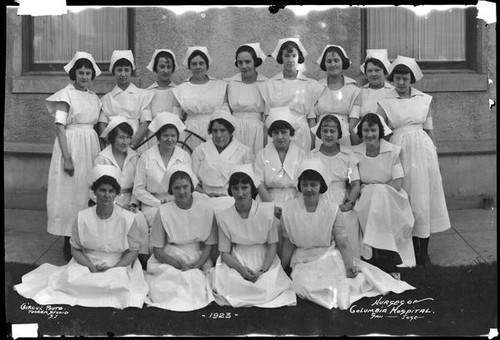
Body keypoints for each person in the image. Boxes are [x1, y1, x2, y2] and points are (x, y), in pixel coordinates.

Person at [280, 159, 415, 310]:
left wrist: (349, 266)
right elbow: (288, 244)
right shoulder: (289, 210)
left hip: (327, 257)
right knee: (302, 285)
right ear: (299, 186)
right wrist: (282, 269)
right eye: (305, 185)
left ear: (321, 186)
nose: (309, 189)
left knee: (340, 283)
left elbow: (342, 242)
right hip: (302, 261)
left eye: (313, 185)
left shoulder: (332, 209)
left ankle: (364, 277)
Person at [15, 165, 149, 309]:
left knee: (118, 285)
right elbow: (76, 250)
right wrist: (90, 267)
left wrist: (114, 268)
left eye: (111, 191)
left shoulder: (128, 218)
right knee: (70, 280)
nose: (106, 195)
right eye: (102, 190)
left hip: (119, 264)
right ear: (94, 193)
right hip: (87, 262)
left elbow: (133, 251)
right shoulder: (82, 217)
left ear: (116, 194)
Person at [377, 56, 451, 266]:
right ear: (392, 79)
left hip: (423, 151)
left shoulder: (424, 100)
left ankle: (423, 253)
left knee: (423, 200)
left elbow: (429, 129)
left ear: (412, 79)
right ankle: (406, 249)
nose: (401, 82)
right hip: (399, 151)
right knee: (404, 199)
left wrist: (435, 156)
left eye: (405, 78)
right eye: (397, 78)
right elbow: (380, 132)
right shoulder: (385, 102)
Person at [212, 164, 296, 308]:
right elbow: (225, 254)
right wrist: (241, 269)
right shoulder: (224, 217)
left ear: (252, 189)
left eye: (244, 187)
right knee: (231, 285)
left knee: (267, 285)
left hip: (264, 258)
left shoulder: (266, 212)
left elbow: (272, 246)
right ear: (230, 191)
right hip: (237, 259)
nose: (240, 193)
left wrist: (263, 270)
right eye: (235, 188)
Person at [45, 51, 102, 261]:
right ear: (74, 73)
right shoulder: (65, 95)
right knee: (70, 193)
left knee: (86, 191)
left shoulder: (94, 98)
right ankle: (68, 242)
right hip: (71, 145)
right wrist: (67, 158)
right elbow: (60, 128)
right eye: (81, 72)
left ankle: (84, 239)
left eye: (88, 72)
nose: (84, 76)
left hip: (90, 146)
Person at [145, 164, 216, 311]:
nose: (182, 191)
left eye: (185, 186)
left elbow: (209, 244)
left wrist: (196, 266)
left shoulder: (206, 208)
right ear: (171, 190)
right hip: (171, 258)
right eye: (177, 188)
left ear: (192, 186)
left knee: (197, 282)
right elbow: (158, 250)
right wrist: (179, 265)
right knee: (170, 285)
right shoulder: (163, 211)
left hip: (199, 257)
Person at [352, 113, 416, 271]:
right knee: (374, 195)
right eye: (366, 130)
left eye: (373, 130)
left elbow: (397, 184)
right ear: (361, 132)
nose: (370, 134)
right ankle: (386, 249)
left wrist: (376, 188)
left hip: (392, 197)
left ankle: (375, 249)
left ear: (380, 131)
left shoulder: (393, 151)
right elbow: (352, 180)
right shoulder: (353, 153)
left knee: (379, 193)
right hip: (365, 197)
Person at [95, 116, 150, 268]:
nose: (125, 142)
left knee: (140, 220)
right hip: (108, 202)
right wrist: (115, 205)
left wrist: (133, 203)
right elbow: (98, 189)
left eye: (128, 137)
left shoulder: (135, 157)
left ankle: (141, 257)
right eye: (121, 137)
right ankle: (120, 256)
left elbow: (139, 184)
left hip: (130, 201)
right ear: (112, 138)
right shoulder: (102, 158)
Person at [308, 114, 362, 259]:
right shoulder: (312, 157)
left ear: (339, 133)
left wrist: (349, 203)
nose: (328, 135)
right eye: (325, 131)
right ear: (319, 133)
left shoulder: (347, 156)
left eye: (333, 131)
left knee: (348, 221)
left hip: (342, 202)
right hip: (319, 200)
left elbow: (355, 184)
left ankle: (351, 262)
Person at [260, 38, 324, 151]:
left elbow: (311, 119)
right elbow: (267, 117)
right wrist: (266, 142)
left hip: (301, 133)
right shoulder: (270, 85)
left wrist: (313, 144)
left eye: (294, 55)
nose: (290, 60)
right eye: (286, 56)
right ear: (281, 57)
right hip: (277, 133)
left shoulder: (310, 85)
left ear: (299, 57)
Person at [133, 112, 191, 228]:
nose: (170, 139)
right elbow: (138, 189)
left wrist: (177, 200)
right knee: (161, 221)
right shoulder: (146, 157)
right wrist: (157, 202)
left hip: (180, 201)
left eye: (173, 136)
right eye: (165, 135)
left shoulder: (184, 156)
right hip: (152, 204)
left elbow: (189, 185)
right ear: (158, 137)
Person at [172, 46, 228, 151]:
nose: (198, 67)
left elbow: (225, 114)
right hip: (189, 133)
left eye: (201, 63)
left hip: (214, 132)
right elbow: (176, 119)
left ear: (207, 65)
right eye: (194, 64)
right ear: (189, 66)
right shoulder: (180, 89)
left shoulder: (220, 86)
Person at [98, 50, 154, 151]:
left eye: (126, 70)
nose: (123, 74)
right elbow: (102, 125)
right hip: (113, 148)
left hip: (137, 145)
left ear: (131, 71)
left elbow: (145, 123)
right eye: (119, 70)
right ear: (113, 71)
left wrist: (132, 144)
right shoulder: (106, 99)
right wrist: (114, 146)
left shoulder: (143, 95)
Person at [191, 108, 254, 198]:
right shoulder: (200, 150)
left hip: (233, 198)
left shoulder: (245, 152)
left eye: (223, 130)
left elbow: (249, 182)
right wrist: (205, 195)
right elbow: (192, 181)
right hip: (205, 198)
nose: (218, 135)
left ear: (230, 131)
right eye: (215, 131)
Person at [254, 107, 306, 210]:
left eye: (283, 132)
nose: (279, 137)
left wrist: (296, 206)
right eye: (276, 133)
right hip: (266, 202)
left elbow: (304, 183)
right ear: (271, 134)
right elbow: (259, 183)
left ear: (290, 133)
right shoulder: (262, 155)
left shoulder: (301, 155)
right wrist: (270, 206)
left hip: (294, 202)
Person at [224, 43, 268, 155]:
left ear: (255, 62)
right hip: (235, 130)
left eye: (247, 62)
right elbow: (226, 110)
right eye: (240, 62)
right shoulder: (230, 83)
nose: (244, 66)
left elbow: (268, 114)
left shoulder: (266, 83)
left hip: (258, 131)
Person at [313, 44, 360, 147]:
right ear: (324, 64)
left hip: (344, 136)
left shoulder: (353, 90)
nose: (333, 64)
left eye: (336, 60)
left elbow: (353, 125)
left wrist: (355, 148)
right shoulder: (316, 88)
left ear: (343, 62)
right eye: (329, 61)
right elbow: (312, 118)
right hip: (321, 135)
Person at [138, 49, 180, 153]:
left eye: (169, 67)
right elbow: (146, 122)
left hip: (172, 139)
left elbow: (178, 120)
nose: (165, 70)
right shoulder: (147, 93)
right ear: (155, 68)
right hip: (152, 138)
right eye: (162, 66)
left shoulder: (178, 92)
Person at [350, 49, 394, 145]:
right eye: (370, 71)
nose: (373, 74)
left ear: (385, 71)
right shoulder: (360, 92)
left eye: (377, 70)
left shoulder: (392, 93)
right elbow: (354, 122)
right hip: (364, 141)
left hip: (389, 143)